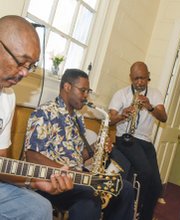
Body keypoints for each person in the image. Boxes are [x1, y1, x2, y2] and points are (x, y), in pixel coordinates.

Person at [24, 68, 135, 220]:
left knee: (125, 188)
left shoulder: (78, 118)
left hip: (76, 179)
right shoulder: (44, 112)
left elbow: (78, 157)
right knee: (90, 198)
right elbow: (32, 155)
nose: (85, 96)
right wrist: (69, 172)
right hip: (51, 182)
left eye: (87, 91)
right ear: (67, 87)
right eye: (82, 90)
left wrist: (97, 148)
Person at [0, 15, 73, 220]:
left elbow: (1, 164)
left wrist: (33, 182)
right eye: (21, 62)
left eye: (30, 66)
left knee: (39, 207)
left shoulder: (7, 97)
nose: (24, 73)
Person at [108, 61, 167, 220]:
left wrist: (150, 107)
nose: (139, 82)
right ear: (130, 78)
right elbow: (109, 120)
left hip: (145, 142)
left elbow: (164, 117)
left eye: (142, 78)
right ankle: (133, 209)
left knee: (157, 186)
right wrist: (122, 115)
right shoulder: (121, 94)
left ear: (149, 76)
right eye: (135, 79)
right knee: (146, 172)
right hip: (126, 139)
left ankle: (144, 216)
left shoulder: (155, 94)